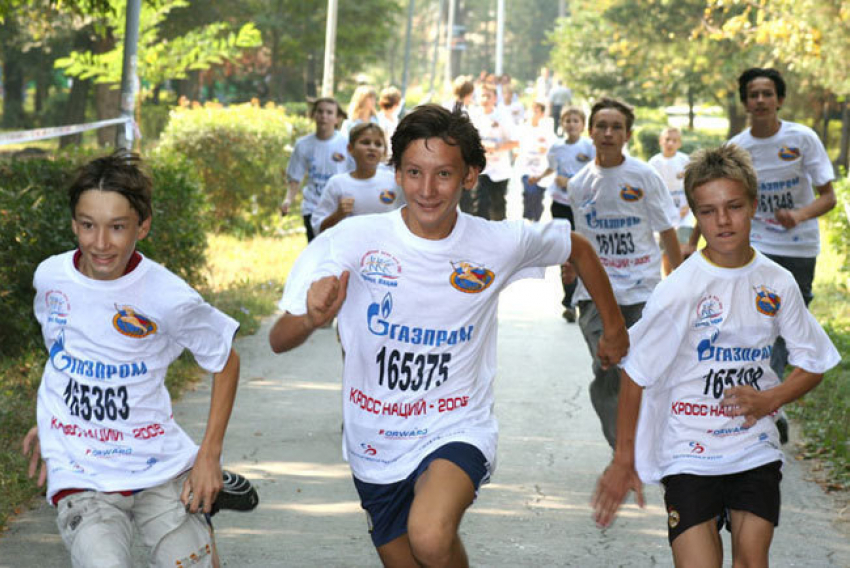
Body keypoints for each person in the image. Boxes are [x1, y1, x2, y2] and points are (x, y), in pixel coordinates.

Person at [268, 104, 629, 567]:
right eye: (414, 172)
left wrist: (614, 327)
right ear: (396, 173)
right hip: (375, 439)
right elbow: (279, 339)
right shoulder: (351, 240)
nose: (427, 189)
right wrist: (312, 318)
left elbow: (575, 247)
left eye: (443, 174)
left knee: (431, 535)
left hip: (457, 425)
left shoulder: (496, 242)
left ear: (470, 177)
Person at [591, 143, 840, 568]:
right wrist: (623, 459)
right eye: (708, 211)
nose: (722, 220)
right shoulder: (679, 290)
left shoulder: (776, 283)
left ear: (753, 205)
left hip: (752, 444)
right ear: (694, 215)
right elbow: (635, 374)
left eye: (734, 206)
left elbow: (814, 362)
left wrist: (770, 399)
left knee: (752, 560)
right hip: (689, 449)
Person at [21, 151, 242, 568]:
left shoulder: (166, 295)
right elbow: (66, 353)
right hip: (81, 470)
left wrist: (209, 456)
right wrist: (52, 418)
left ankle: (197, 530)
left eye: (117, 227)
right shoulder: (50, 277)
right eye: (88, 225)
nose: (100, 243)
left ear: (143, 226)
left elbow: (225, 360)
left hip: (159, 466)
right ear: (73, 224)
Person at [568, 97, 682, 448]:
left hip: (641, 292)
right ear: (591, 132)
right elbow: (580, 241)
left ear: (627, 135)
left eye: (616, 127)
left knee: (642, 372)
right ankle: (626, 450)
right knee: (609, 368)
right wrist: (570, 270)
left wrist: (681, 283)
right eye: (601, 126)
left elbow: (666, 232)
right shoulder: (578, 185)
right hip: (595, 298)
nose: (608, 133)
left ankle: (647, 441)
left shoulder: (644, 177)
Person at [729, 68, 836, 384]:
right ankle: (765, 395)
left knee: (786, 324)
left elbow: (828, 197)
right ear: (746, 103)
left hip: (799, 246)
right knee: (757, 319)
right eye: (753, 95)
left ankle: (769, 390)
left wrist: (798, 215)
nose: (760, 100)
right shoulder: (736, 148)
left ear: (780, 100)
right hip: (757, 244)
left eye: (767, 94)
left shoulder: (802, 139)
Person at [528, 106, 595, 322]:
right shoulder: (556, 148)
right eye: (568, 120)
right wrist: (539, 177)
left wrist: (573, 183)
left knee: (584, 252)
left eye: (576, 120)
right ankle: (569, 302)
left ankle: (586, 297)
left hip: (584, 206)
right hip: (560, 204)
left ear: (583, 125)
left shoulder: (589, 147)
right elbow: (552, 169)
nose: (572, 124)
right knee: (567, 253)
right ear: (562, 124)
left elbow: (597, 172)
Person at [311, 123, 404, 235]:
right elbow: (318, 228)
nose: (372, 148)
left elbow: (409, 215)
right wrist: (338, 215)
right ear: (350, 149)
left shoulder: (394, 181)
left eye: (378, 144)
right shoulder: (338, 184)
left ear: (384, 152)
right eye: (365, 142)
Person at [283, 97, 353, 242]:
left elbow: (357, 175)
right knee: (316, 250)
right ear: (313, 115)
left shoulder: (347, 144)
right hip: (312, 207)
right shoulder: (303, 145)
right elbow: (295, 177)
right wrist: (288, 200)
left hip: (339, 208)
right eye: (320, 111)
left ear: (337, 118)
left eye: (329, 112)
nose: (323, 116)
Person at [469, 84, 518, 221]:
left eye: (488, 96)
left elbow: (515, 142)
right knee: (479, 205)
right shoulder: (473, 116)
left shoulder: (503, 117)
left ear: (495, 98)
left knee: (497, 207)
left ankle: (499, 236)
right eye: (482, 95)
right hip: (480, 169)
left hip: (500, 170)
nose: (484, 99)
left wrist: (496, 147)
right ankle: (480, 237)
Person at [648, 127, 693, 273]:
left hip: (684, 213)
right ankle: (668, 279)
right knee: (666, 251)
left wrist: (688, 205)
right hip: (665, 214)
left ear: (679, 143)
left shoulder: (684, 160)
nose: (670, 143)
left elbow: (692, 185)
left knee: (685, 247)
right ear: (661, 141)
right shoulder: (654, 163)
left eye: (674, 140)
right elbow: (652, 192)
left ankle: (686, 278)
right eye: (667, 139)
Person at [516, 102, 556, 222]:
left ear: (542, 114)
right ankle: (527, 218)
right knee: (529, 191)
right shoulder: (522, 128)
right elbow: (515, 143)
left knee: (538, 195)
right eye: (531, 110)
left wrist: (545, 149)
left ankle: (536, 218)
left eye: (536, 111)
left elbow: (553, 147)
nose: (533, 114)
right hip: (526, 168)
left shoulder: (547, 130)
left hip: (541, 170)